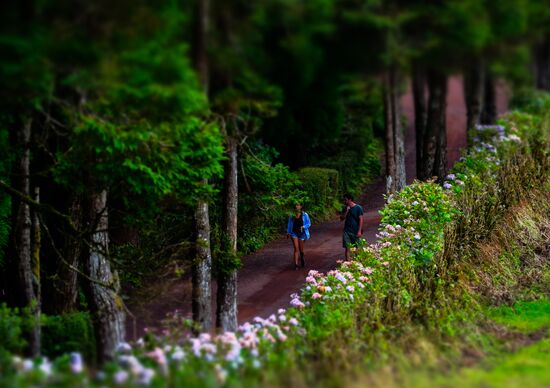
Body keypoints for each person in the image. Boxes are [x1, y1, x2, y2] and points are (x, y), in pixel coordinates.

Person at [286, 203, 311, 270]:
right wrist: (288, 232)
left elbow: (309, 223)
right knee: (296, 249)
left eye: (298, 205)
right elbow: (289, 224)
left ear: (301, 206)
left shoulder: (305, 214)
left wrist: (303, 227)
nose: (297, 206)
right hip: (294, 233)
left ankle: (302, 257)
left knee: (301, 250)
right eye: (296, 205)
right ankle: (296, 265)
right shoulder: (292, 215)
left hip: (302, 233)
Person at [340, 193, 364, 261]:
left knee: (357, 247)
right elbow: (341, 219)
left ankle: (358, 262)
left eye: (345, 200)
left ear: (350, 200)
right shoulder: (345, 208)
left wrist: (359, 231)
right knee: (348, 248)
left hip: (356, 231)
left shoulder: (358, 208)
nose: (344, 202)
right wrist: (347, 211)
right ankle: (348, 263)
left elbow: (361, 219)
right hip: (346, 231)